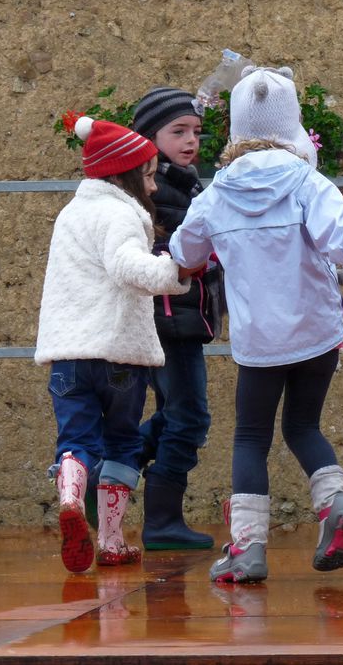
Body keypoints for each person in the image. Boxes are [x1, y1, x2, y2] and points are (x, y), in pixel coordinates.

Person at [168, 65, 343, 584]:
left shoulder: (216, 194)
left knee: (250, 438)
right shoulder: (308, 182)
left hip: (259, 343)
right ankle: (334, 504)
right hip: (317, 335)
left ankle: (247, 548)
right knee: (303, 426)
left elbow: (184, 254)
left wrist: (197, 260)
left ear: (236, 128)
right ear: (291, 124)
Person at [36, 116, 192, 573]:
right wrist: (175, 271)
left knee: (75, 440)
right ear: (123, 174)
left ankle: (69, 493)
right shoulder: (122, 213)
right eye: (147, 175)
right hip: (118, 356)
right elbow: (127, 267)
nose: (155, 187)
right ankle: (109, 539)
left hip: (67, 356)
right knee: (122, 443)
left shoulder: (71, 213)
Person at [129, 87, 224, 551]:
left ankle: (110, 475)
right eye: (178, 132)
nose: (191, 141)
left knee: (176, 414)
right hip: (170, 322)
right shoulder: (157, 190)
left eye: (196, 132)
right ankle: (160, 519)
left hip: (182, 319)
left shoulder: (184, 182)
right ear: (148, 138)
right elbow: (167, 255)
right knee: (188, 419)